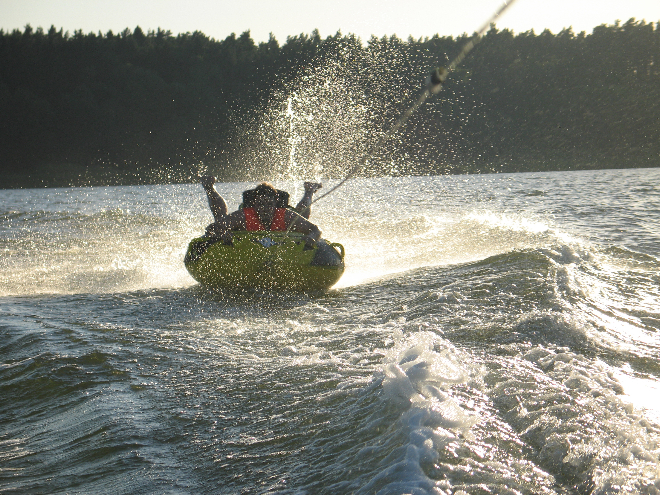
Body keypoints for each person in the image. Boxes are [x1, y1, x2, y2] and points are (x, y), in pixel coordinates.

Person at [200, 177, 322, 248]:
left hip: (292, 222)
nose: (265, 208)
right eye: (260, 204)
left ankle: (309, 191)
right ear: (254, 204)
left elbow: (316, 230)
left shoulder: (286, 215)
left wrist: (312, 238)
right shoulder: (243, 216)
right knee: (220, 219)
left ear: (275, 204)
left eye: (269, 204)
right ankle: (209, 188)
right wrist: (222, 233)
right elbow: (212, 228)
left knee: (302, 216)